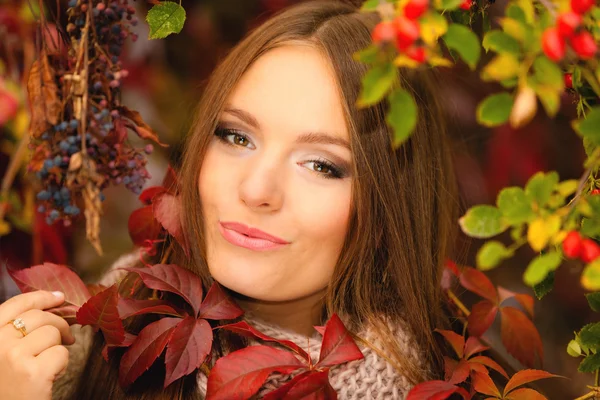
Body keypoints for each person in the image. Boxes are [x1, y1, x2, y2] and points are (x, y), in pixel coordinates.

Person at [0, 0, 459, 398]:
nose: (255, 190)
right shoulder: (100, 332)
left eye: (321, 165)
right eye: (236, 137)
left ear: (387, 209)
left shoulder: (440, 378)